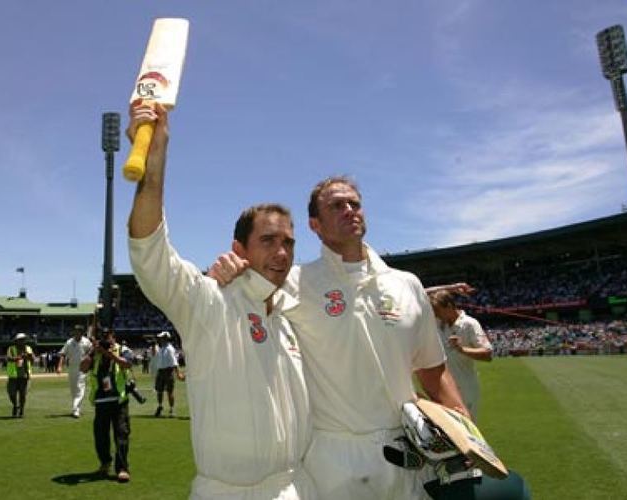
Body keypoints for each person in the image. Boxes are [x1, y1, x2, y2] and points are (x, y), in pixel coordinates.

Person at [211, 176, 468, 499]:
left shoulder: (407, 285)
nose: (349, 210)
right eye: (336, 206)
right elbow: (243, 295)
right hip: (332, 462)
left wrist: (466, 429)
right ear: (315, 225)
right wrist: (226, 270)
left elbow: (434, 369)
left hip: (408, 455)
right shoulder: (293, 282)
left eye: (354, 203)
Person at [127, 103, 314, 499]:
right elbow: (149, 251)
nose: (282, 253)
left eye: (289, 243)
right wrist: (153, 162)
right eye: (268, 241)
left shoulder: (295, 312)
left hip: (294, 487)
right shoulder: (208, 302)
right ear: (238, 248)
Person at [80, 327, 134, 483]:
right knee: (100, 436)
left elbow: (127, 364)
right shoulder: (95, 352)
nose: (105, 339)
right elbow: (82, 368)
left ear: (113, 337)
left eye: (107, 336)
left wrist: (108, 353)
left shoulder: (123, 349)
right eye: (102, 337)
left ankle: (122, 468)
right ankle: (105, 462)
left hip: (119, 400)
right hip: (101, 401)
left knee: (122, 435)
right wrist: (92, 352)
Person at [429, 290, 493, 420]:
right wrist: (453, 287)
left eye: (437, 310)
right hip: (444, 390)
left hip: (465, 390)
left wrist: (462, 349)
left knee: (467, 432)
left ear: (449, 306)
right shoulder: (438, 323)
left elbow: (487, 353)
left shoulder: (469, 324)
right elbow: (419, 292)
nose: (435, 314)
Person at [56, 324, 93, 418]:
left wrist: (88, 361)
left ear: (81, 332)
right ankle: (76, 408)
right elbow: (63, 354)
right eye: (75, 331)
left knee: (80, 388)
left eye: (78, 331)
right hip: (72, 368)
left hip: (82, 368)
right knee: (73, 390)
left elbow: (92, 351)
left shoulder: (86, 341)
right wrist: (59, 366)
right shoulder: (69, 342)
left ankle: (75, 409)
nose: (76, 333)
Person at [150, 330, 183, 418]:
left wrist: (178, 373)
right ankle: (160, 406)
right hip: (160, 371)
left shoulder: (169, 349)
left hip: (168, 371)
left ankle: (172, 410)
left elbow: (174, 362)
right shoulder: (162, 348)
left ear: (166, 338)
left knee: (170, 391)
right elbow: (154, 355)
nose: (159, 339)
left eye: (161, 338)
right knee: (159, 391)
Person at [6, 332, 34, 418]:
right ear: (17, 341)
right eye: (21, 340)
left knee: (23, 394)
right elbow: (9, 358)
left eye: (24, 340)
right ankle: (15, 405)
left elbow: (32, 360)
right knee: (11, 394)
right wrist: (18, 358)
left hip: (24, 375)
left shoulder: (28, 348)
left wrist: (29, 357)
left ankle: (21, 410)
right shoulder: (11, 349)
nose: (23, 341)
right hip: (13, 376)